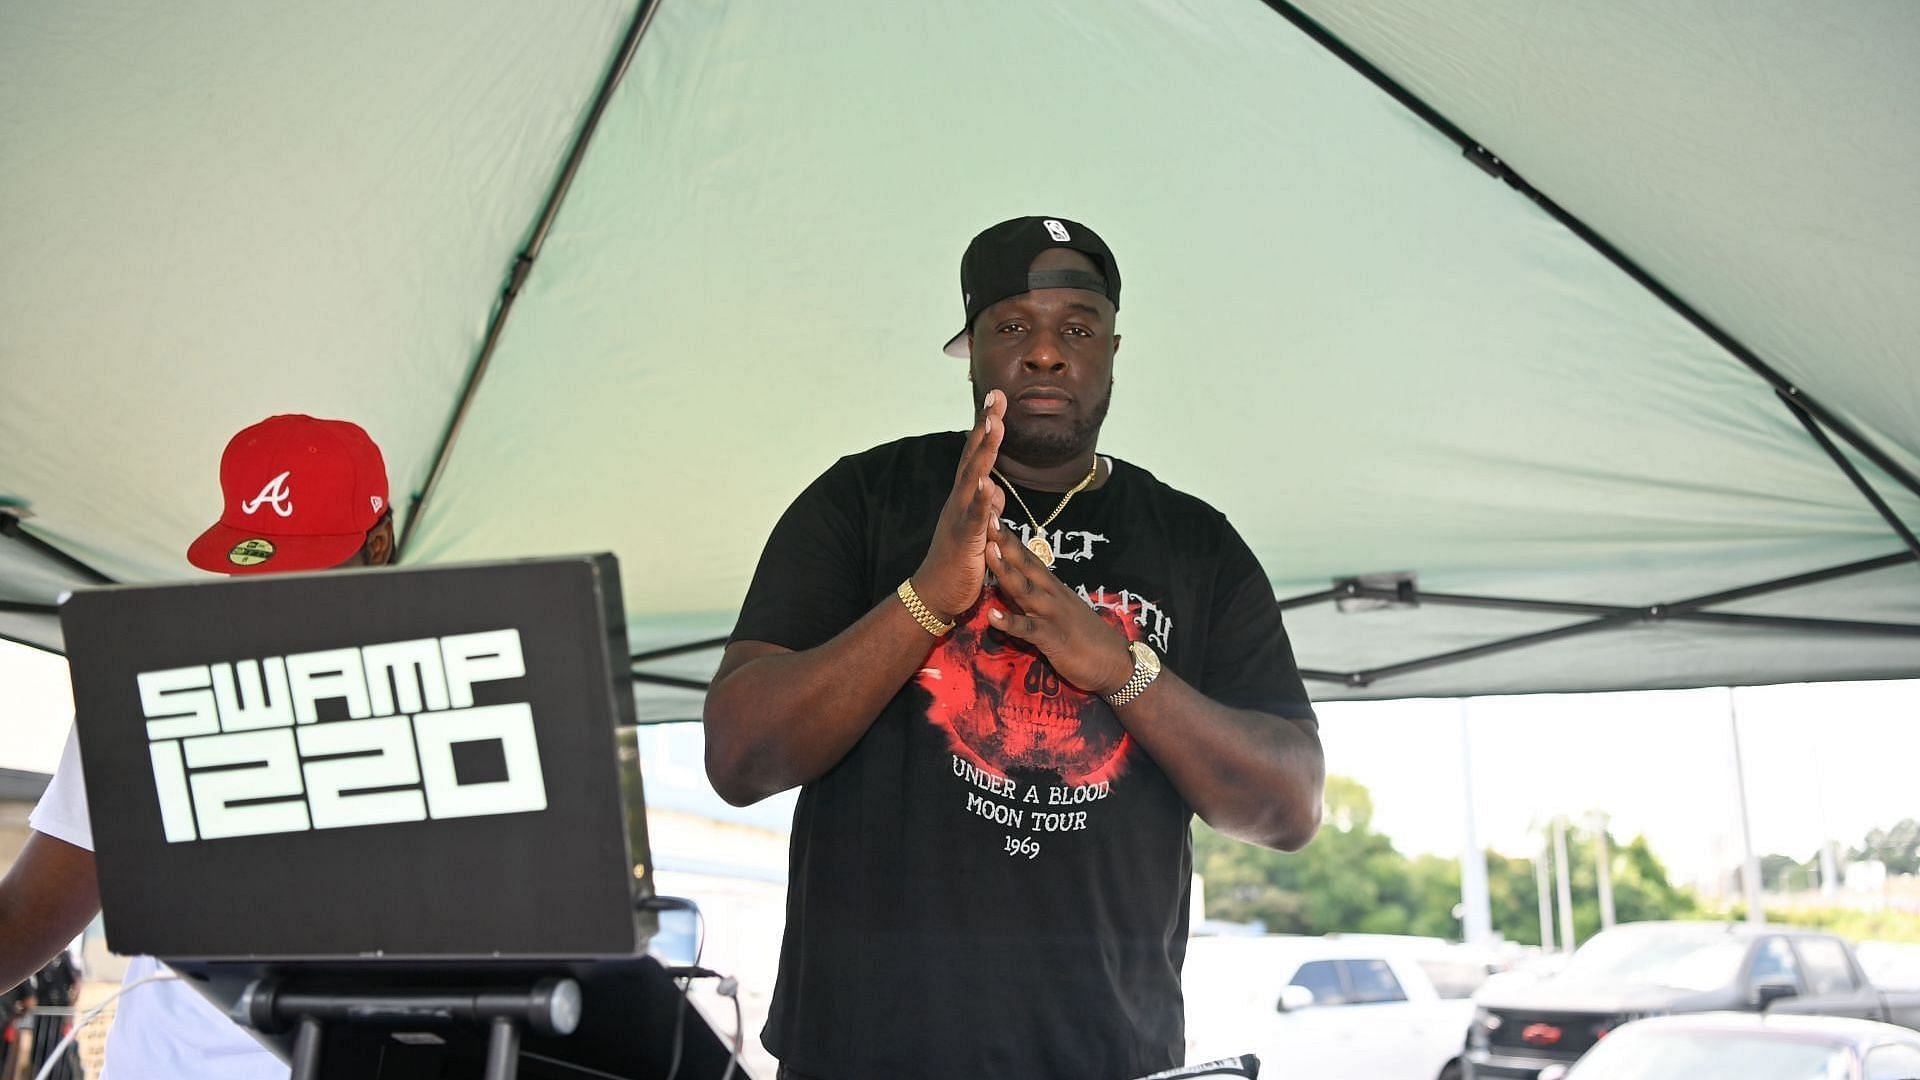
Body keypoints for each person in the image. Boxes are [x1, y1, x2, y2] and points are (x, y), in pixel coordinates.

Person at [703, 216, 1327, 1079]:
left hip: (1108, 1055)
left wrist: (1120, 668)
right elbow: (741, 756)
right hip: (864, 1052)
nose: (1045, 354)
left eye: (1076, 328)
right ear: (973, 351)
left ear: (1112, 349)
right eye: (1012, 328)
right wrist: (927, 599)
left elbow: (1288, 806)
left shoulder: (1198, 545)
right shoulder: (864, 498)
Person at [0, 414, 395, 1080]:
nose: (273, 604)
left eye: (305, 568)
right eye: (257, 565)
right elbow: (18, 923)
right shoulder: (150, 690)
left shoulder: (454, 695)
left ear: (378, 545)